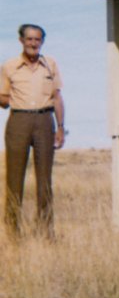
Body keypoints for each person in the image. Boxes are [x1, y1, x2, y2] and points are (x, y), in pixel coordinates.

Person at [0, 24, 65, 238]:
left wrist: (61, 128)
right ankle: (12, 233)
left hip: (45, 121)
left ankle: (46, 232)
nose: (33, 43)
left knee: (45, 179)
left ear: (42, 42)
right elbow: (3, 100)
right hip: (19, 121)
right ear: (21, 40)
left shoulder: (50, 64)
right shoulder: (9, 66)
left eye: (37, 40)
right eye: (29, 39)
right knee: (14, 178)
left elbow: (57, 97)